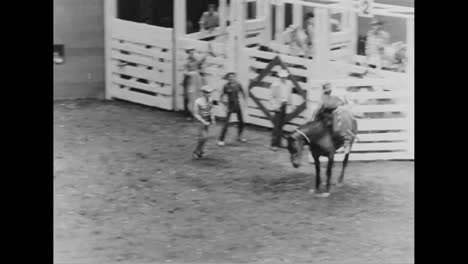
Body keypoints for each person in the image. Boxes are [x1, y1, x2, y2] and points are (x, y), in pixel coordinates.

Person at [218, 72, 247, 146]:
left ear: (235, 77)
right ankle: (221, 139)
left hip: (237, 105)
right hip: (230, 106)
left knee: (241, 122)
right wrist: (225, 104)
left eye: (233, 77)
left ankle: (239, 136)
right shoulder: (225, 86)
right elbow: (221, 97)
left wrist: (244, 102)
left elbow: (243, 93)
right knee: (226, 123)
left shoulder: (238, 84)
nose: (231, 78)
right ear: (228, 78)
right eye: (230, 77)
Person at [183, 47, 211, 120]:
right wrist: (191, 73)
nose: (192, 54)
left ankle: (196, 113)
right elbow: (185, 71)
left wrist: (207, 52)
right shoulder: (187, 62)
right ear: (188, 53)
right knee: (188, 97)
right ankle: (188, 114)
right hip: (189, 80)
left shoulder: (196, 60)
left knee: (197, 95)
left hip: (196, 81)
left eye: (193, 52)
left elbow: (201, 61)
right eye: (190, 52)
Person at [270, 70, 293, 151]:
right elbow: (272, 97)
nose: (283, 78)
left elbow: (289, 95)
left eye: (285, 77)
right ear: (279, 77)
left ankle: (279, 142)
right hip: (278, 106)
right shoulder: (275, 85)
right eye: (282, 77)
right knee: (276, 125)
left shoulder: (289, 84)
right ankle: (274, 144)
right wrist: (275, 106)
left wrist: (291, 105)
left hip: (285, 105)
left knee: (281, 125)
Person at [192, 85, 217, 160]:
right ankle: (196, 152)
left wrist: (213, 118)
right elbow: (195, 114)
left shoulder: (211, 100)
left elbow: (211, 110)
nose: (209, 94)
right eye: (207, 92)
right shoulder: (198, 101)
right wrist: (203, 121)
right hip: (200, 121)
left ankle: (201, 151)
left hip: (207, 120)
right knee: (204, 137)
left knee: (204, 138)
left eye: (209, 92)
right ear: (203, 93)